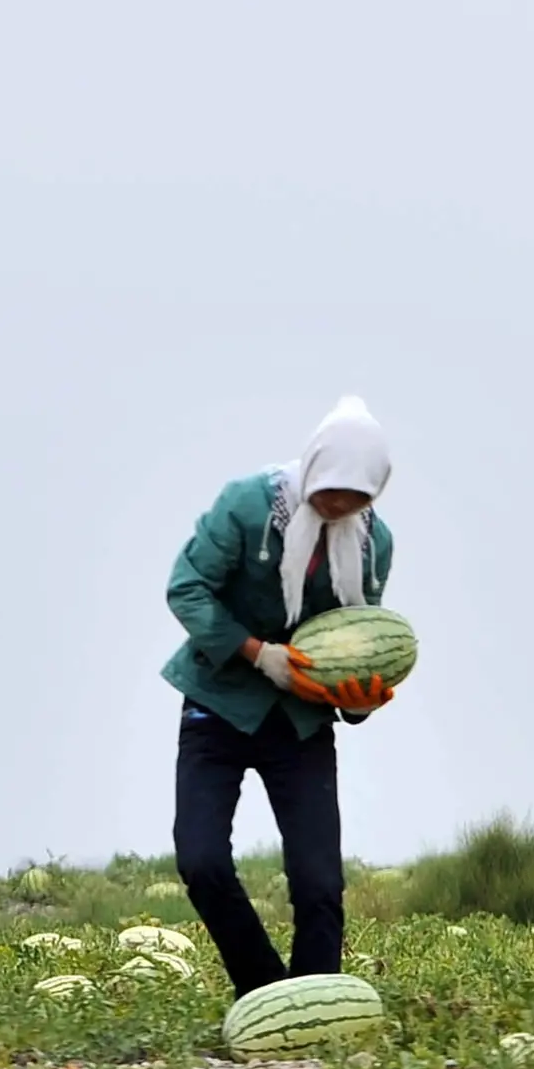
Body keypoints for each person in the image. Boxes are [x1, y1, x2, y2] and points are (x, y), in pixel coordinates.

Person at [163, 396, 397, 995]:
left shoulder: (375, 544)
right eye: (333, 488)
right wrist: (257, 653)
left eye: (358, 495)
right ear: (313, 467)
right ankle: (265, 991)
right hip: (217, 703)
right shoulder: (247, 506)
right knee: (201, 859)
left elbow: (358, 638)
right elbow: (187, 589)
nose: (341, 503)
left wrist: (360, 701)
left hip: (301, 720)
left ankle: (315, 1001)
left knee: (319, 880)